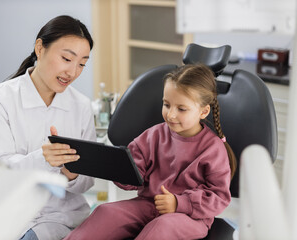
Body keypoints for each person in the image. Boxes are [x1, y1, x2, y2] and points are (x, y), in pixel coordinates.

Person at [64, 64, 237, 240]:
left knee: (162, 227)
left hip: (190, 217)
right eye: (167, 104)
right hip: (148, 204)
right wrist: (118, 169)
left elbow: (219, 197)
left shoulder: (213, 149)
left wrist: (179, 203)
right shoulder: (154, 134)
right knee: (105, 212)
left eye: (181, 109)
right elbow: (134, 172)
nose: (170, 115)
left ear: (204, 111)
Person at [0, 15, 96, 240]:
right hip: (15, 212)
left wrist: (71, 173)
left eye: (82, 64)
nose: (72, 72)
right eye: (66, 58)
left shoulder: (81, 106)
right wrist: (44, 158)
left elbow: (87, 182)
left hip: (63, 216)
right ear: (40, 48)